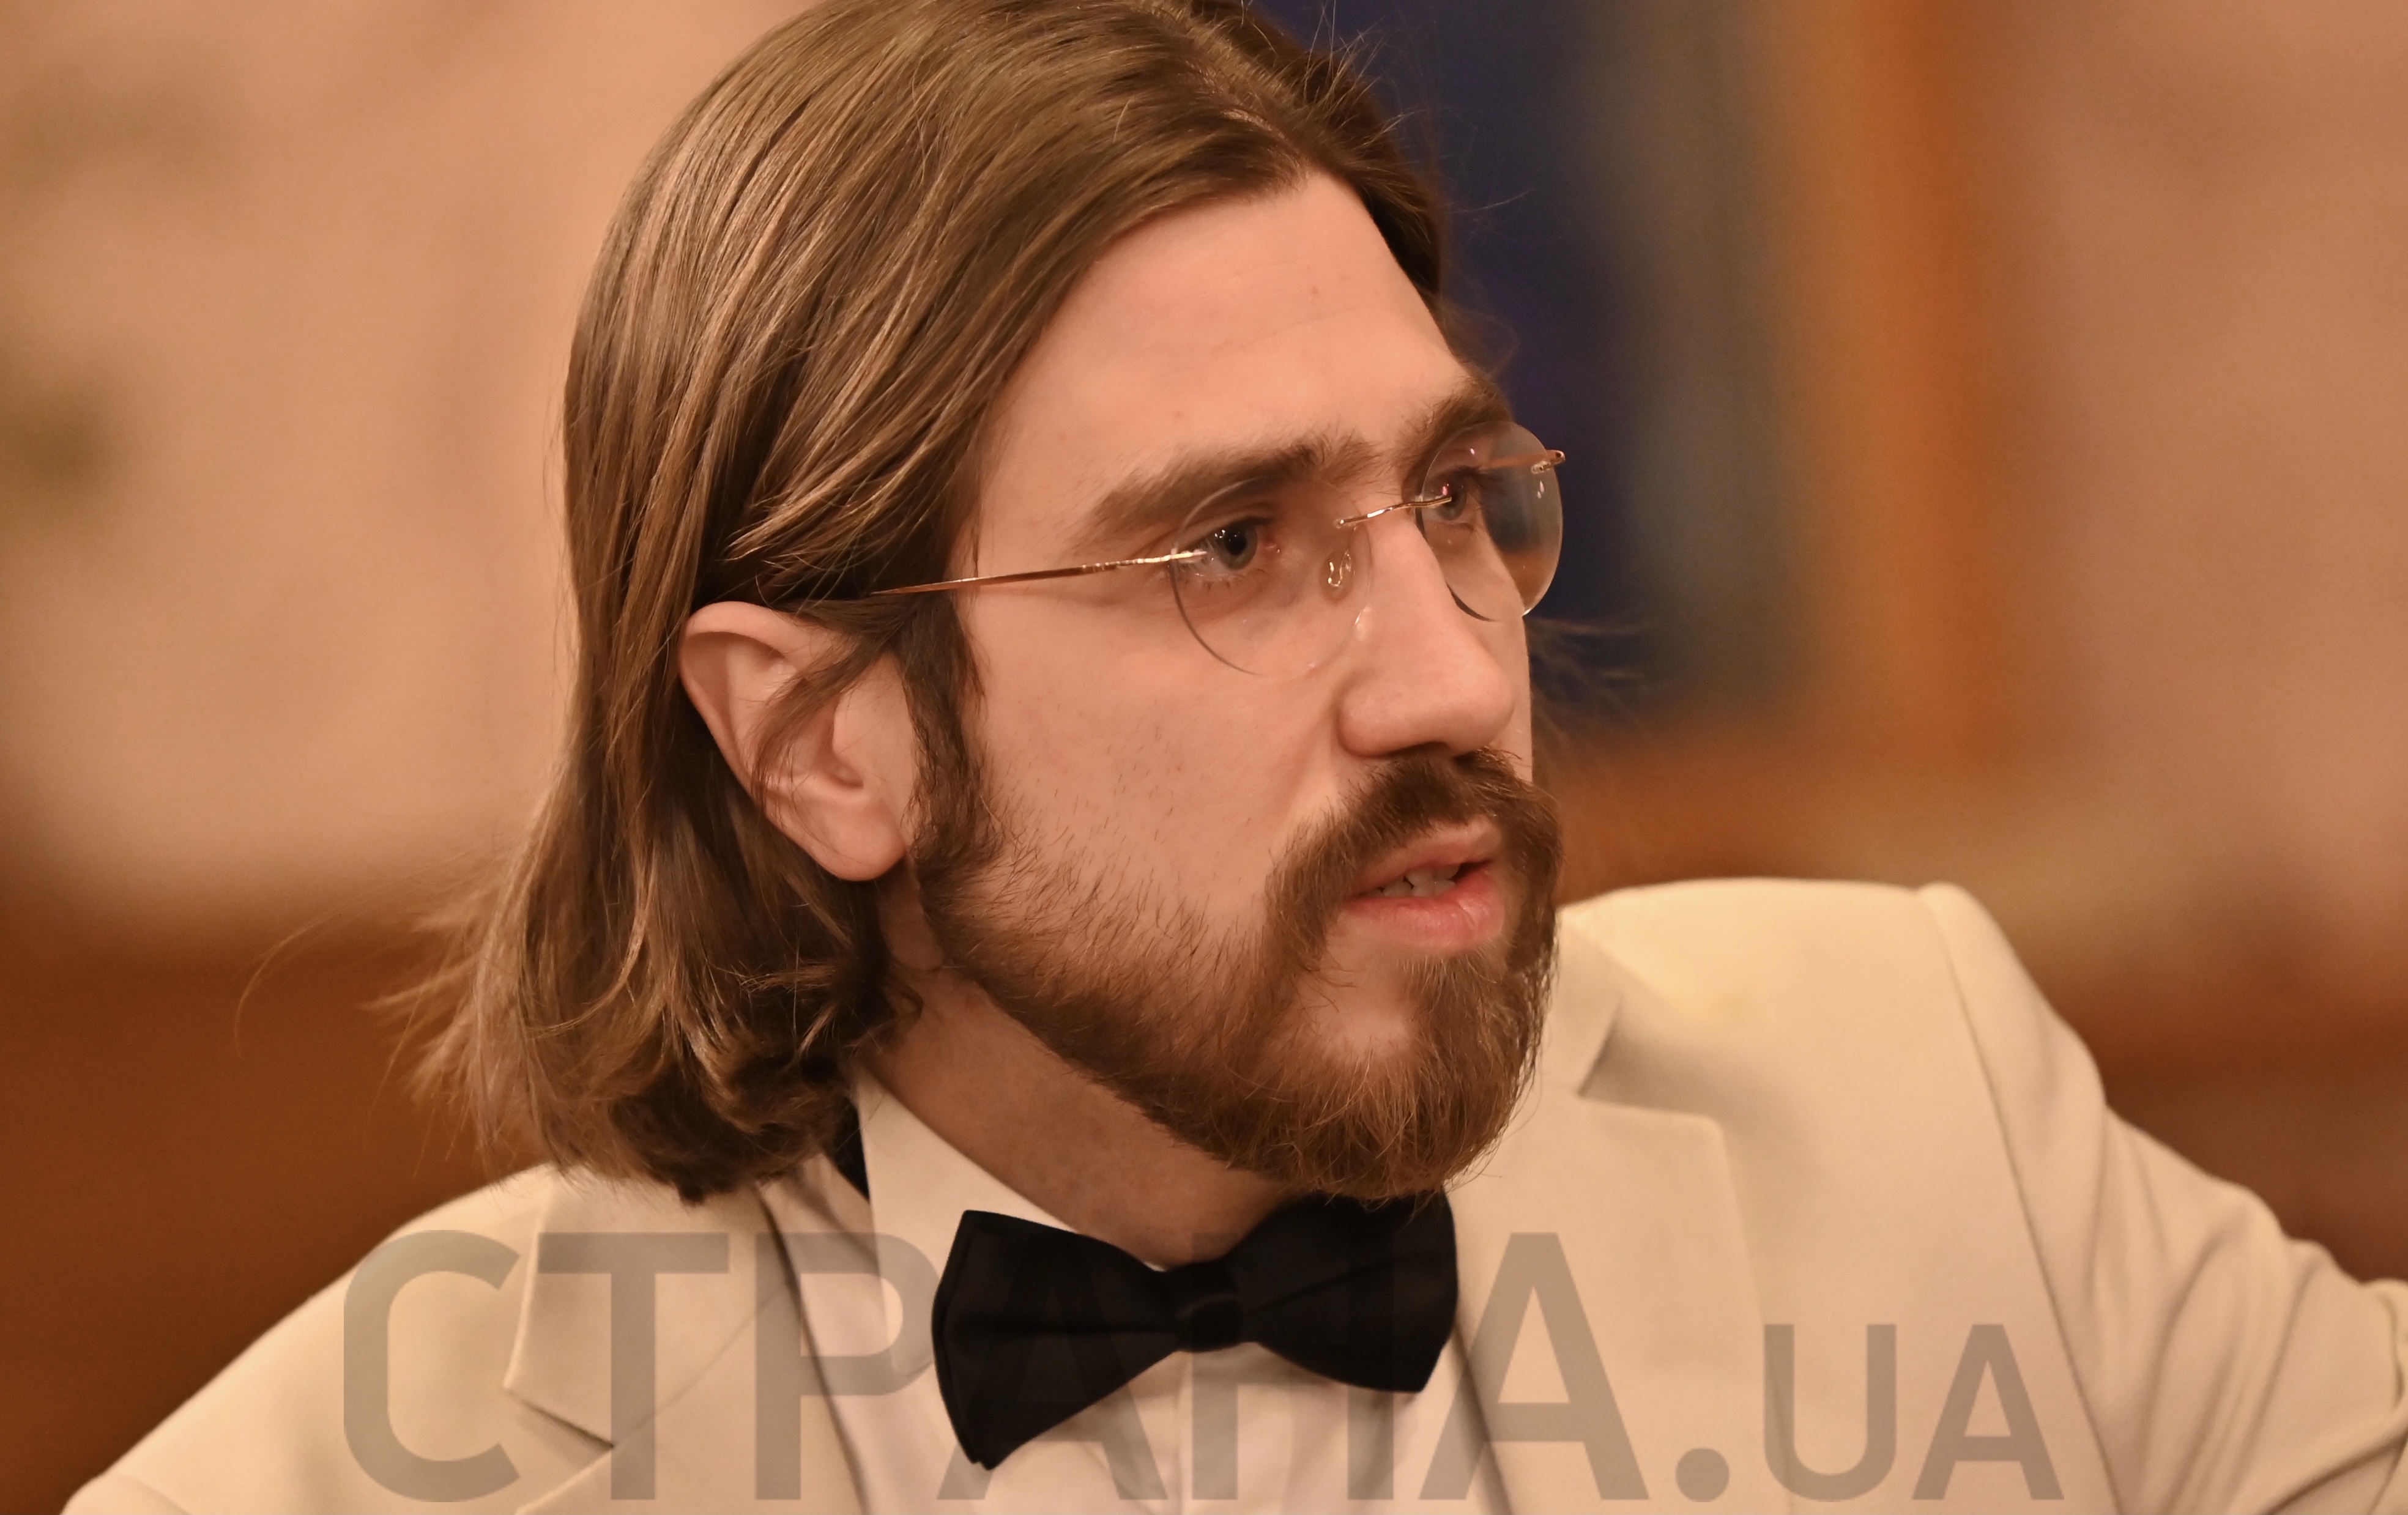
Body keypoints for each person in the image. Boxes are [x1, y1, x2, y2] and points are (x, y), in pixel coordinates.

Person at [70, 2, 2408, 1511]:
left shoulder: (1928, 1114)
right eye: (1229, 547)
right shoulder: (361, 1478)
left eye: (1455, 500)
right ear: (822, 742)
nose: (1451, 683)